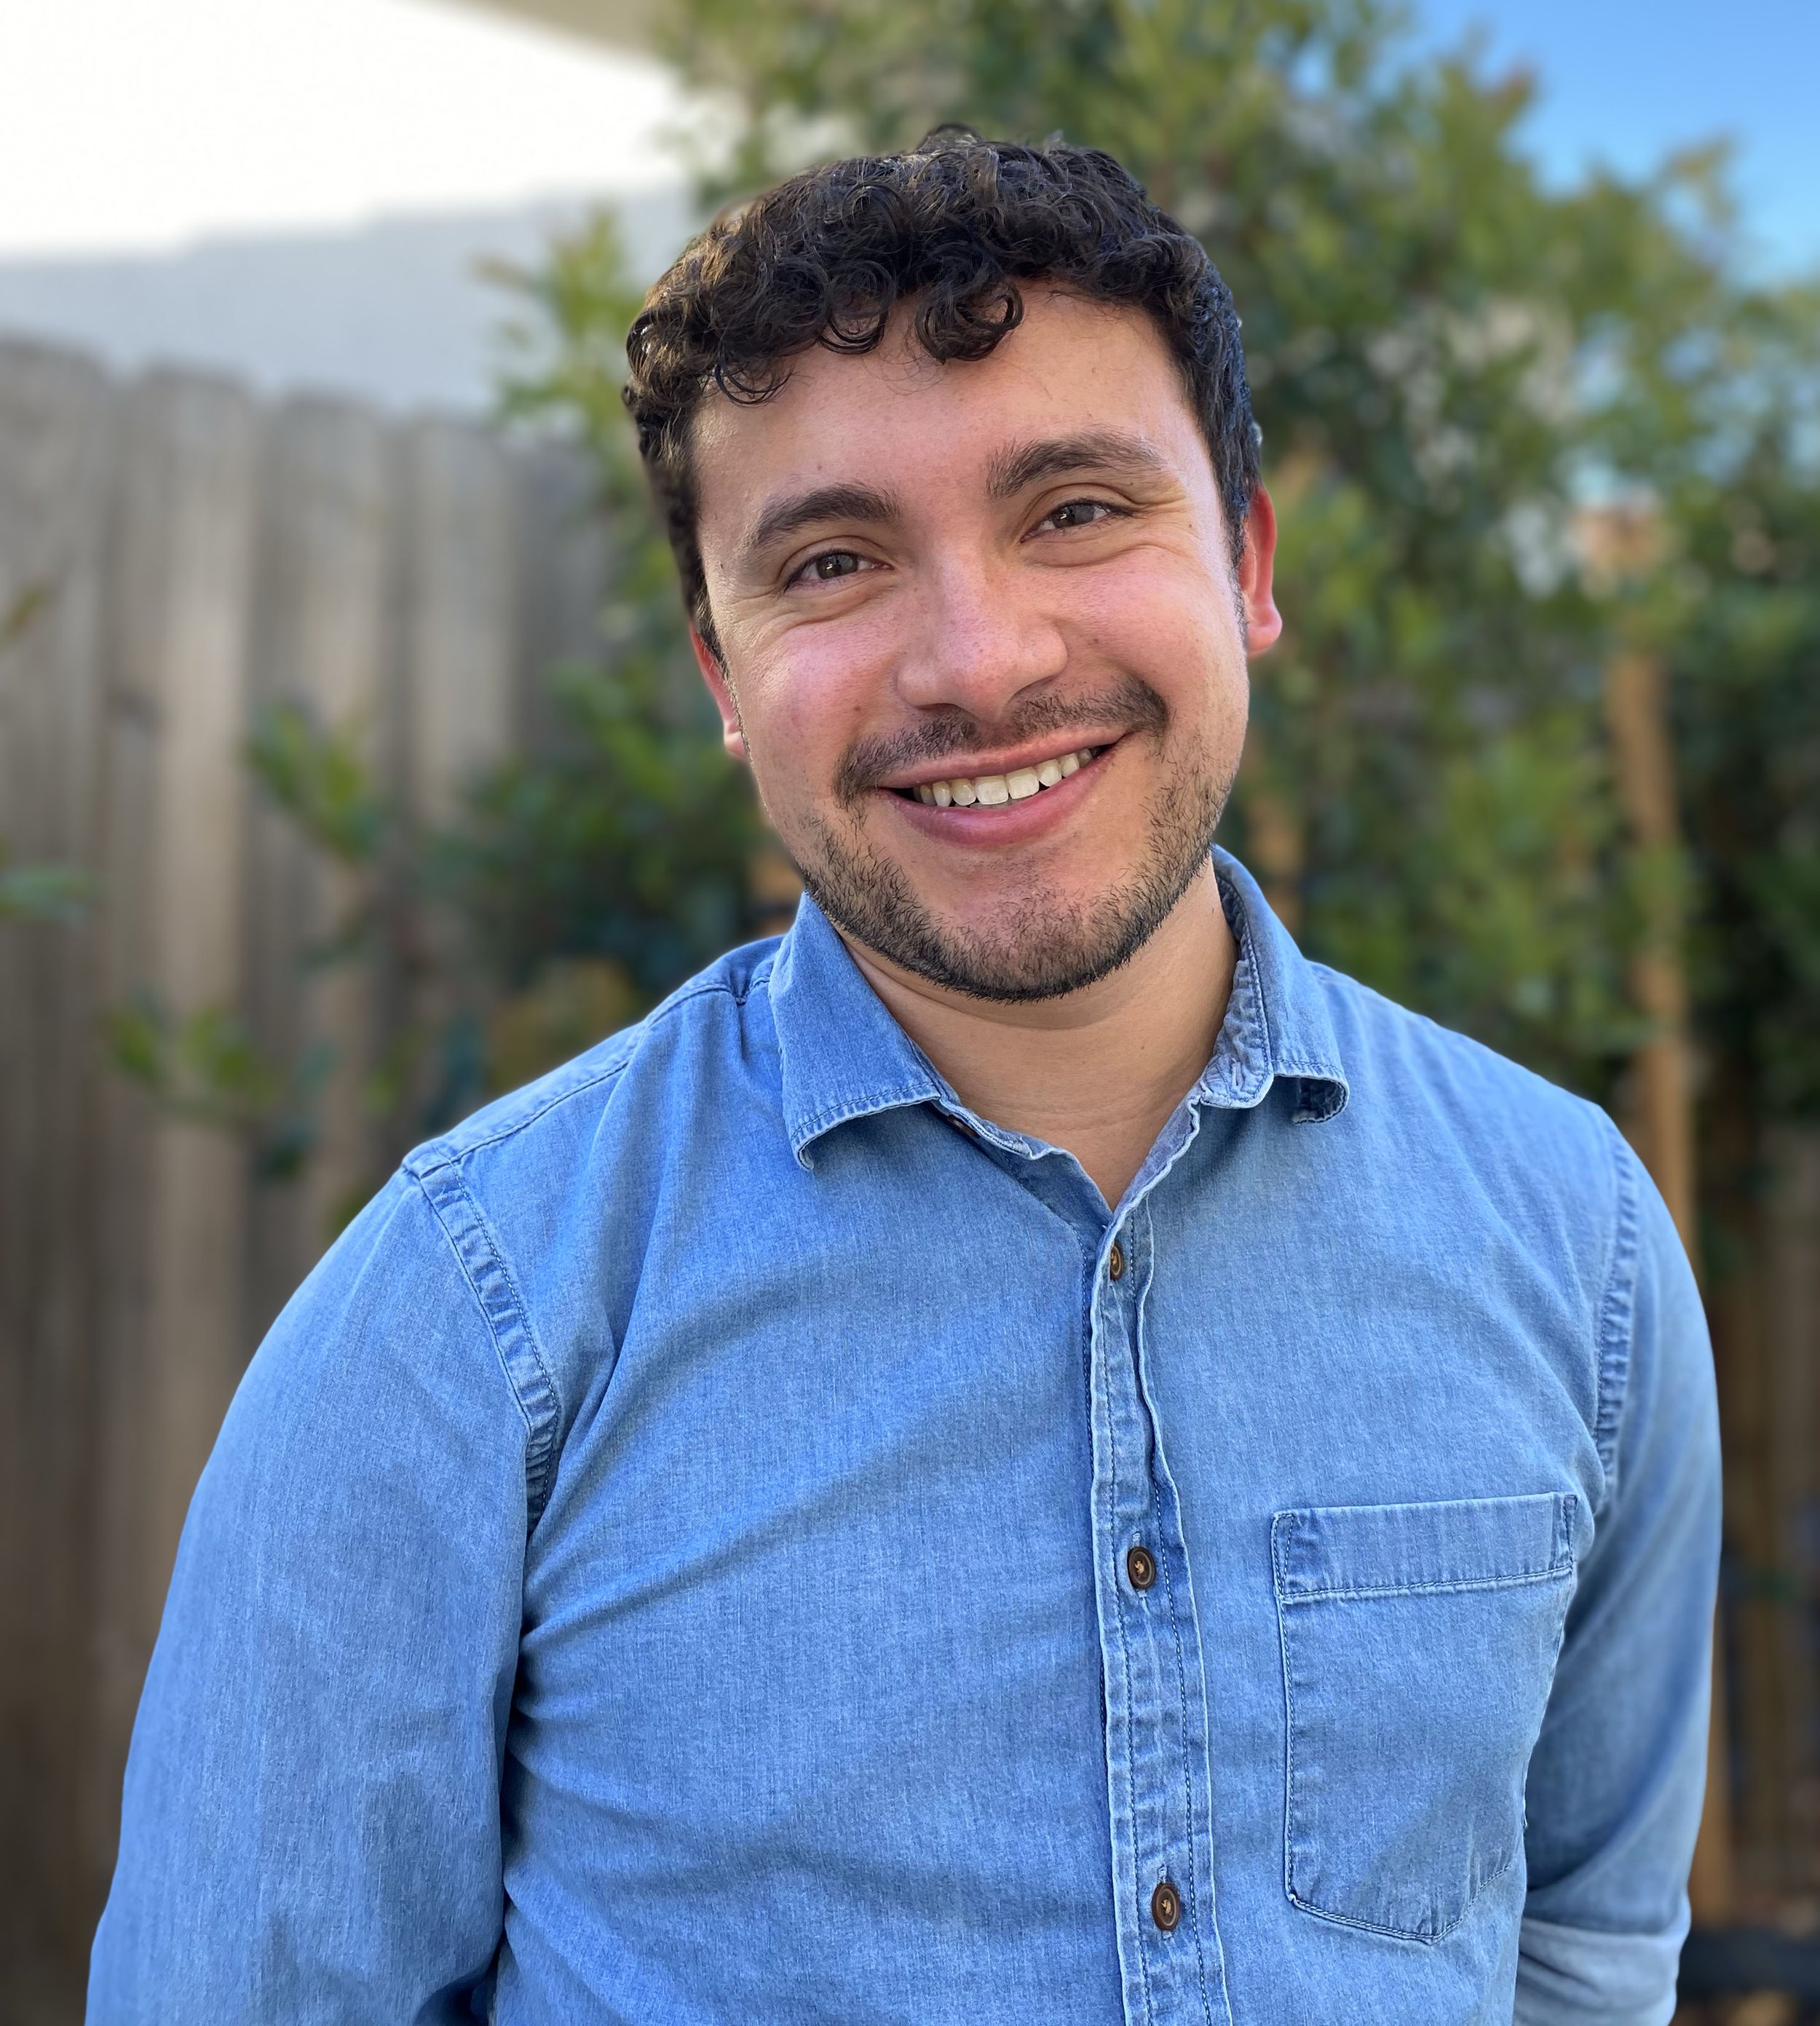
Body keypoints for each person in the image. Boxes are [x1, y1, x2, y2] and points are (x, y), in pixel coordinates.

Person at [91, 132, 1719, 2026]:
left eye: (1077, 510)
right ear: (723, 670)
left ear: (1247, 565)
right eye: (833, 562)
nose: (977, 660)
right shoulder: (471, 1319)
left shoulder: (1576, 1240)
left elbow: (1578, 1952)